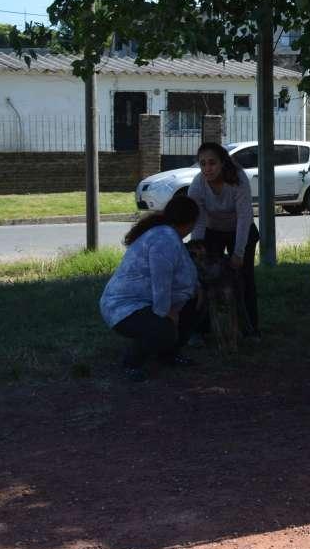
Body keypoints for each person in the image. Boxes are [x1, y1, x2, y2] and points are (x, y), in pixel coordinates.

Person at [100, 196, 203, 382]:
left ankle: (168, 354)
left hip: (146, 303)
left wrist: (195, 289)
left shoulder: (170, 235)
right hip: (123, 309)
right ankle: (131, 363)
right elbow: (160, 283)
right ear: (191, 222)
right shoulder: (164, 240)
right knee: (163, 330)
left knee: (193, 304)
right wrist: (167, 313)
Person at [188, 141, 259, 337]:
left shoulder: (238, 179)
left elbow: (244, 216)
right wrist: (198, 250)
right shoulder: (197, 185)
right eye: (203, 164)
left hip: (241, 229)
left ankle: (251, 329)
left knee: (244, 279)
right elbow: (199, 221)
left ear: (222, 163)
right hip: (213, 230)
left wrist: (238, 253)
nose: (207, 168)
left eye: (212, 163)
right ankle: (203, 330)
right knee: (206, 278)